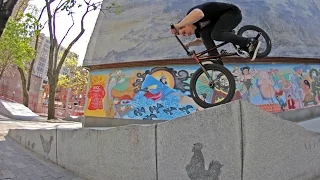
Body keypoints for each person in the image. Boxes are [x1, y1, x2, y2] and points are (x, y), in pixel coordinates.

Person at [170, 2, 261, 64]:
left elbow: (199, 14)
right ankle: (215, 60)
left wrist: (177, 26)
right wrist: (189, 44)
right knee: (205, 34)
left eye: (184, 32)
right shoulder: (199, 29)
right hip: (222, 23)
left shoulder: (192, 14)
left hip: (233, 14)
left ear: (186, 24)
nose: (186, 35)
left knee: (215, 35)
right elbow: (202, 41)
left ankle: (249, 41)